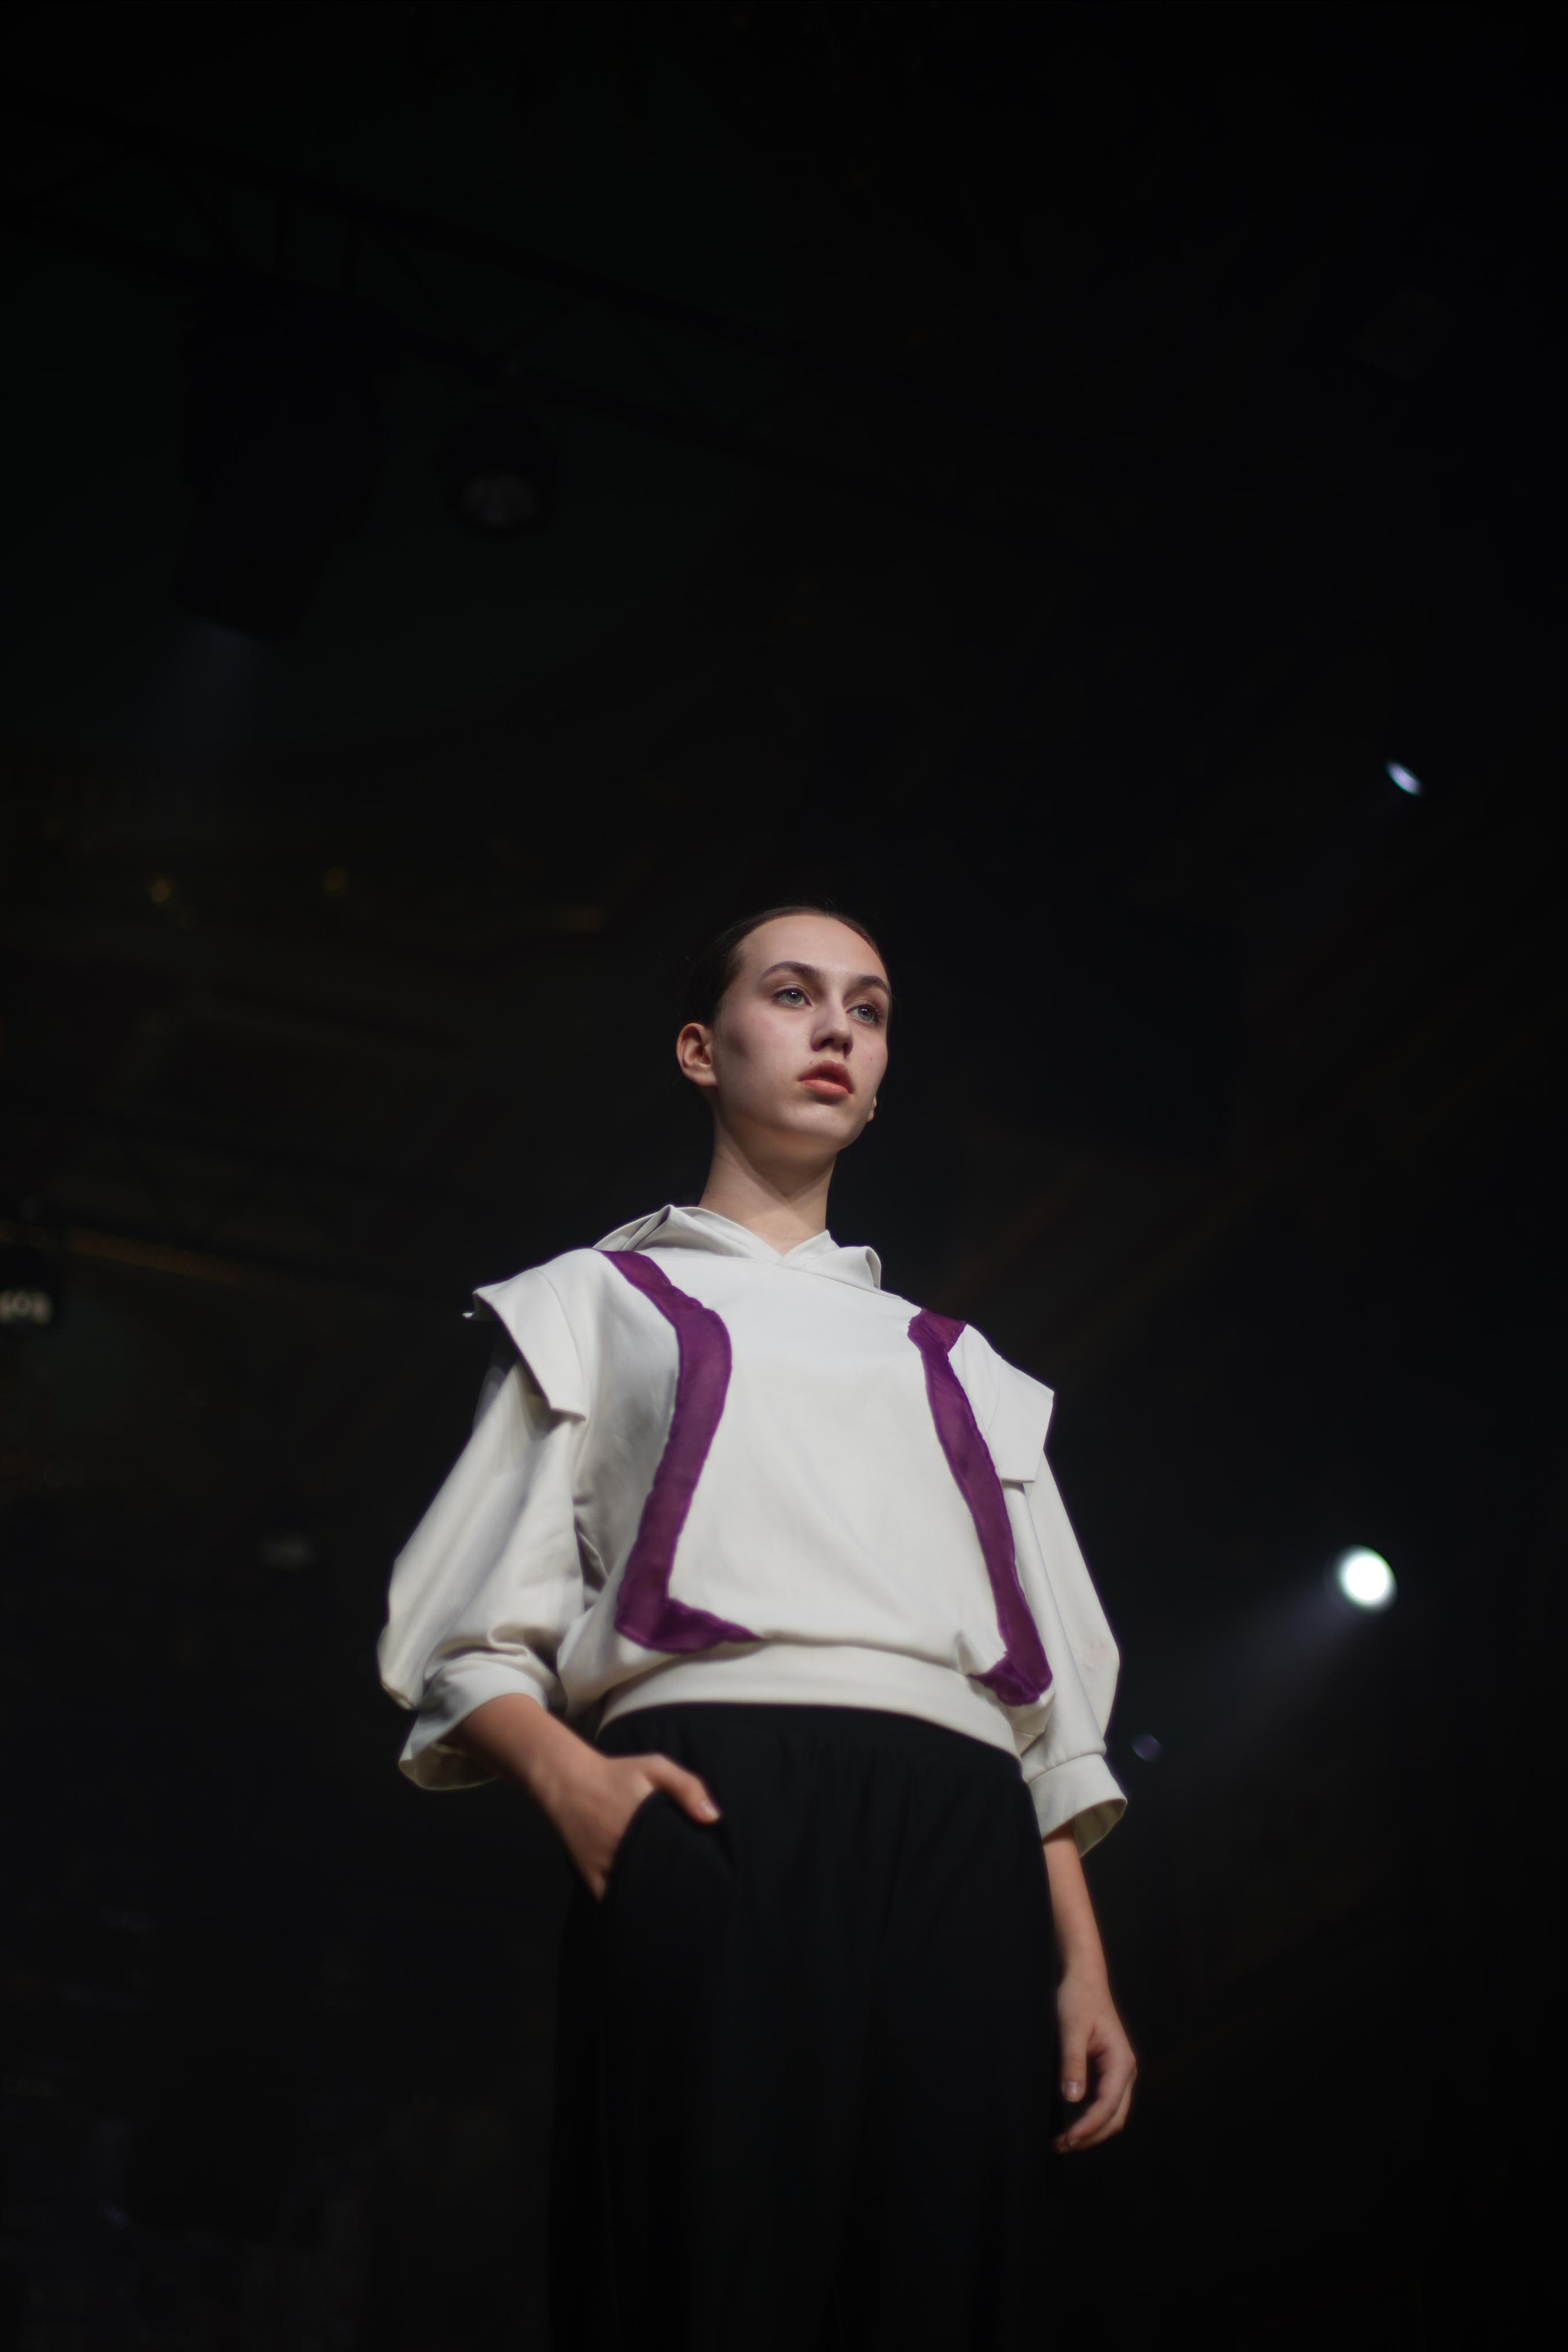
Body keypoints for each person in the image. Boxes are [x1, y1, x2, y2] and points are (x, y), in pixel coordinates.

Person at [376, 904, 1136, 2351]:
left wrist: (1080, 1962)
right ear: (698, 1047)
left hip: (965, 1840)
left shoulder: (961, 1362)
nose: (836, 1027)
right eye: (792, 994)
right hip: (719, 1801)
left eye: (870, 1007)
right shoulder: (599, 1300)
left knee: (949, 2291)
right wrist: (581, 1792)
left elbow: (1037, 1705)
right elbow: (467, 1629)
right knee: (705, 2275)